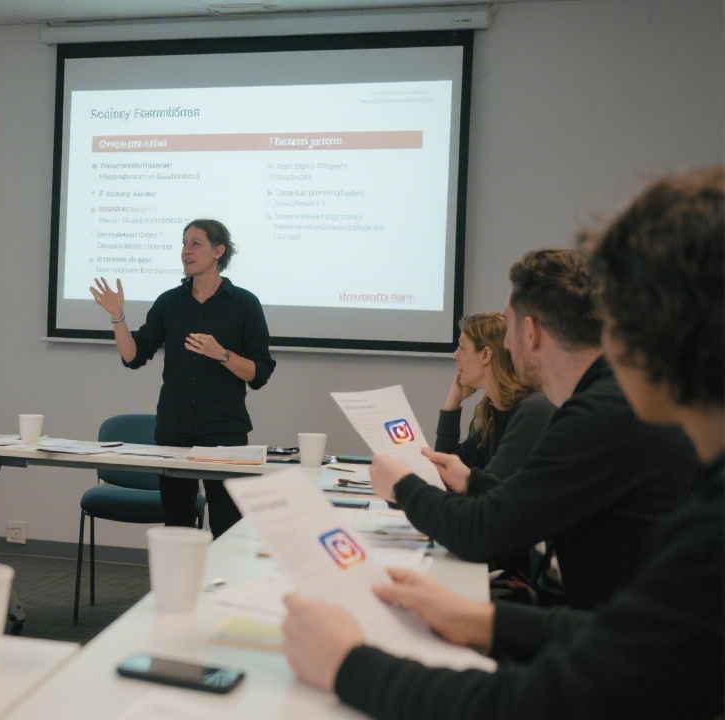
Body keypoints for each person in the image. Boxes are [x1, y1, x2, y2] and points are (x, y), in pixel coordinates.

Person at [279, 166, 723, 720]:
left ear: (672, 326)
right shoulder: (696, 466)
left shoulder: (610, 417)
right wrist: (480, 619)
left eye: (624, 314)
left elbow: (546, 698)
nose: (609, 335)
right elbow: (632, 635)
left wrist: (347, 663)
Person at [368, 248, 696, 609]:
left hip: (618, 648)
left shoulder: (594, 417)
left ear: (530, 331)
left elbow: (483, 533)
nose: (506, 344)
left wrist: (404, 486)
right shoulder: (612, 398)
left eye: (508, 328)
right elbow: (525, 504)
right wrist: (472, 481)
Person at [91, 219, 276, 537]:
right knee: (177, 526)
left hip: (224, 431)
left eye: (196, 243)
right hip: (174, 430)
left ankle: (223, 588)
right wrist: (118, 317)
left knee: (228, 528)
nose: (186, 251)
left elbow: (260, 373)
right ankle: (180, 586)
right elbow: (134, 356)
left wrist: (222, 354)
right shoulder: (169, 302)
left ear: (218, 251)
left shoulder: (244, 303)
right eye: (183, 243)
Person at [435, 312, 554, 482]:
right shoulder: (492, 409)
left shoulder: (533, 410)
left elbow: (491, 489)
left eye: (462, 348)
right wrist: (452, 404)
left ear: (485, 355)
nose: (456, 355)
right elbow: (446, 472)